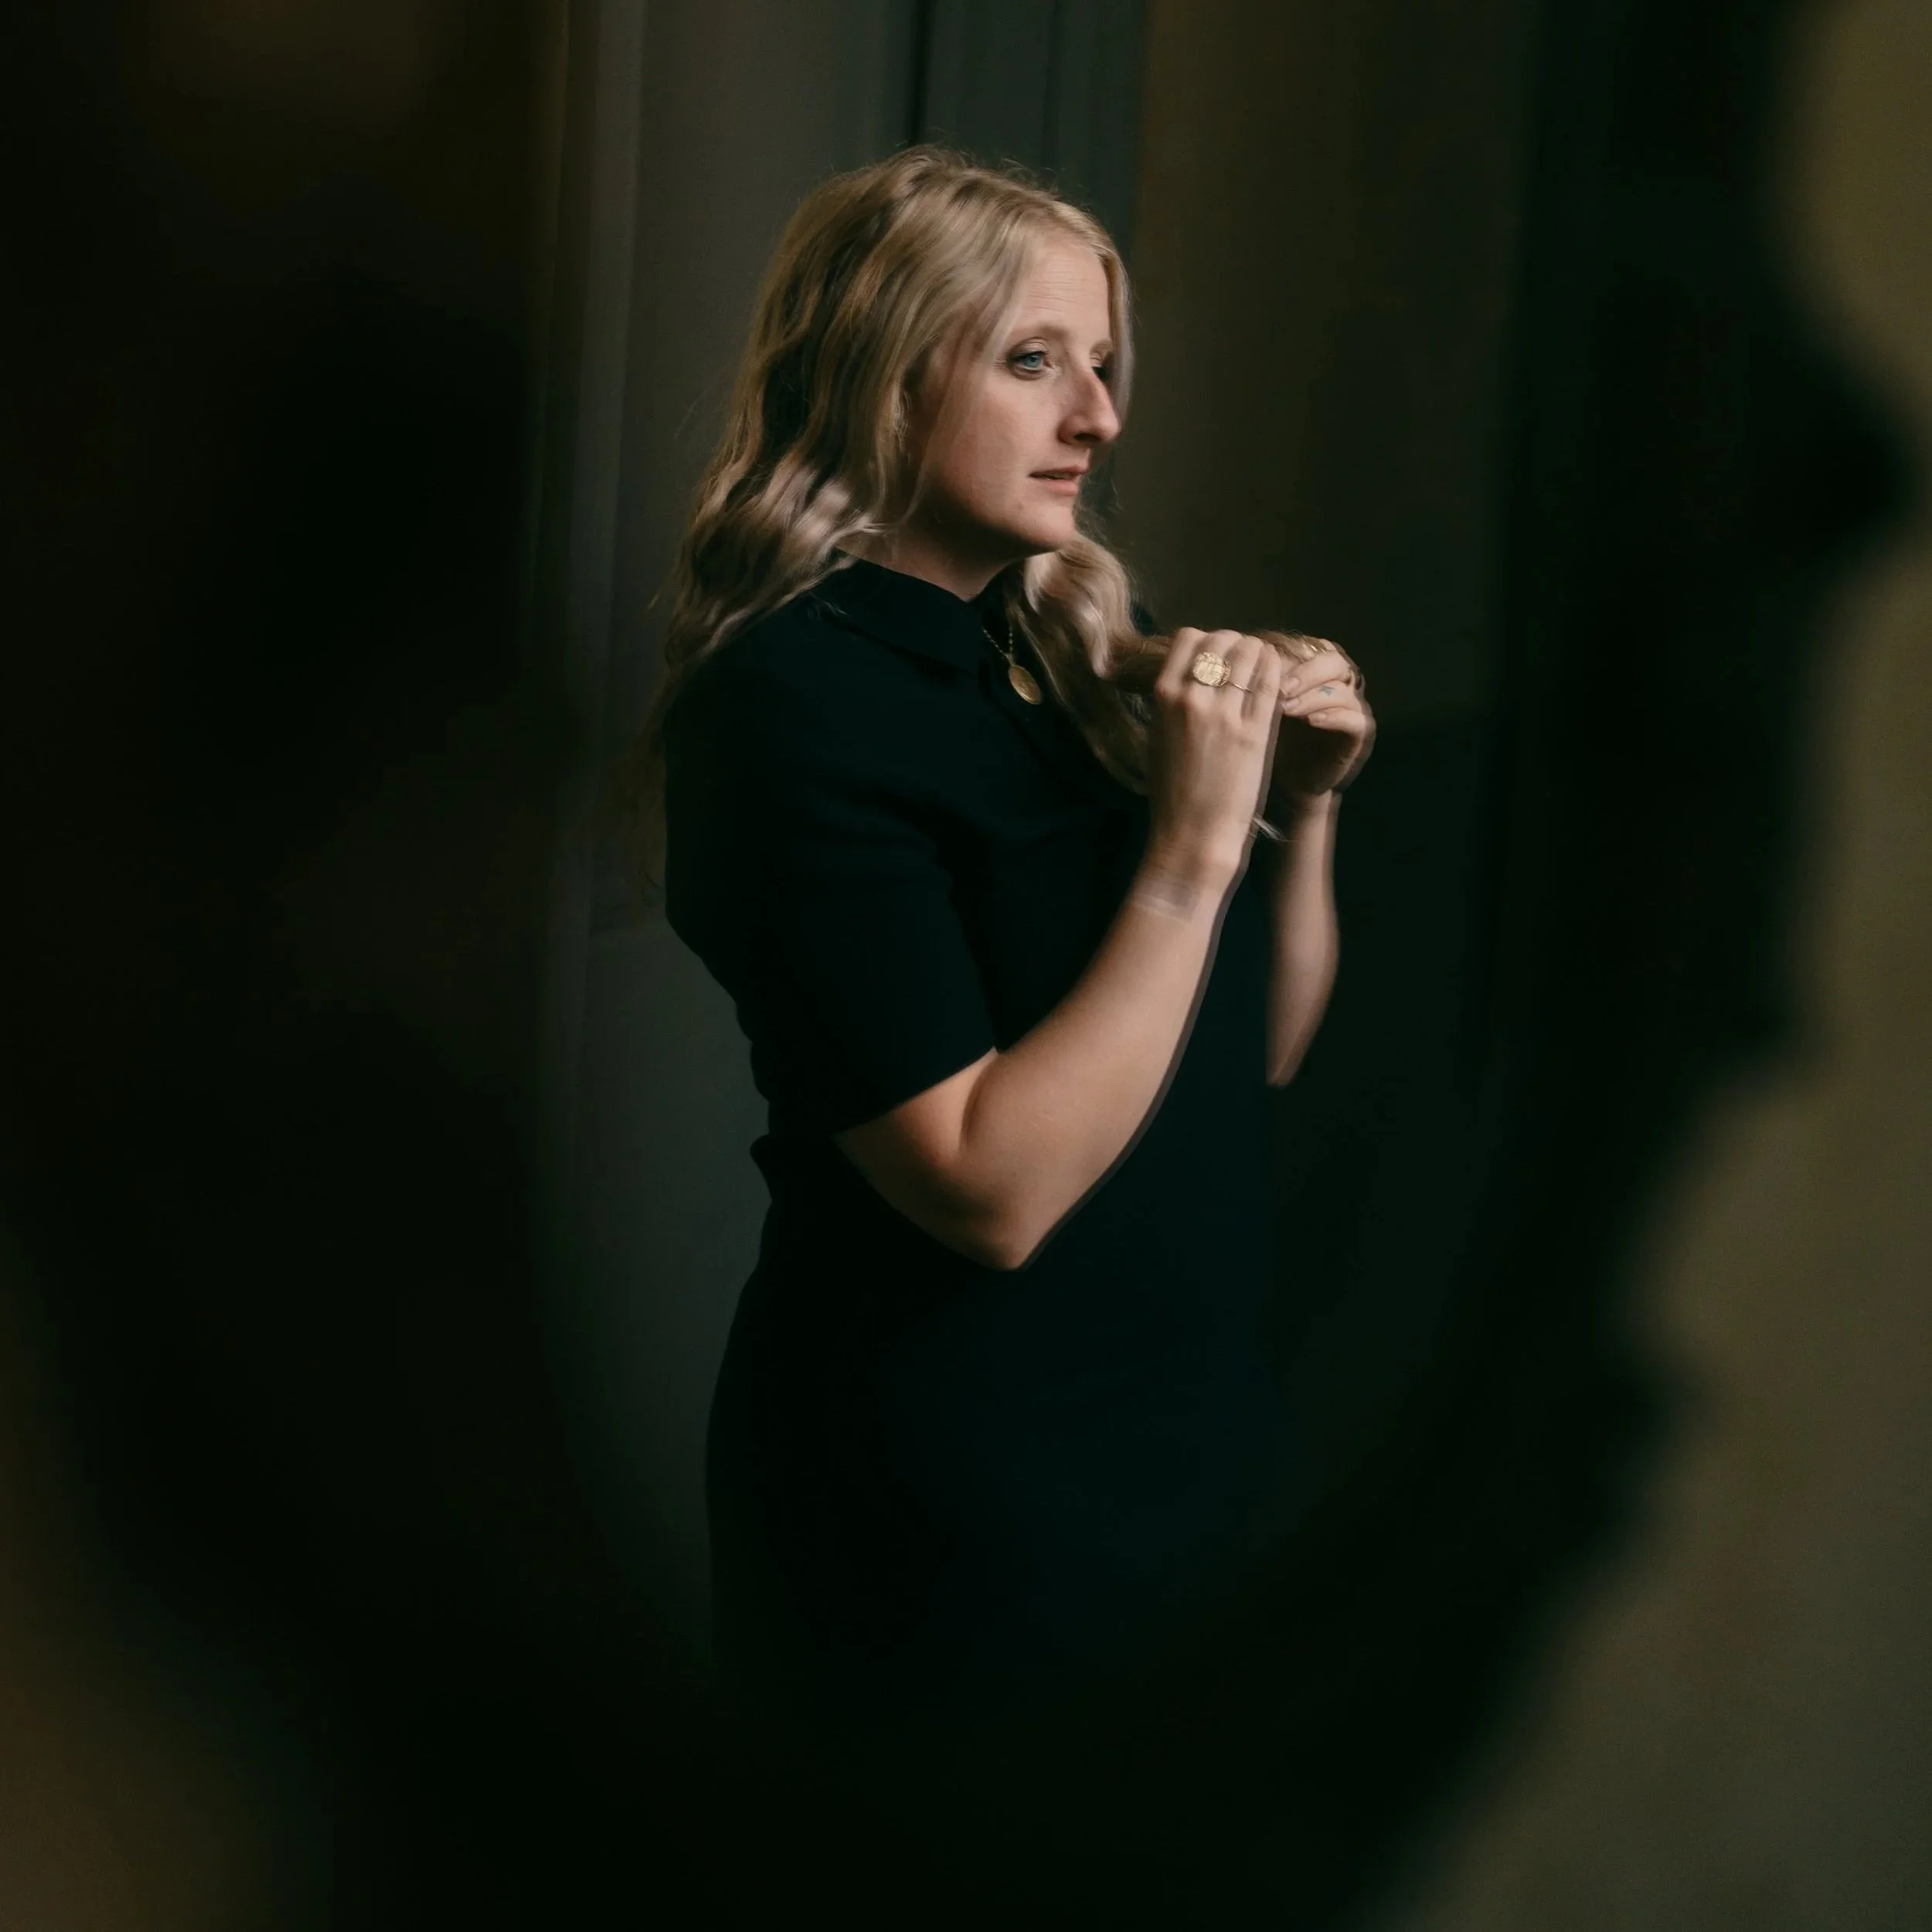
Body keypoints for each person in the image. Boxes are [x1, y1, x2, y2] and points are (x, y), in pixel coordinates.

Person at [620, 145, 1373, 1895]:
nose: (1095, 415)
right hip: (960, 1521)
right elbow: (990, 1183)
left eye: (1103, 361)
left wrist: (1306, 800)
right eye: (1031, 358)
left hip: (1175, 1458)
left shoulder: (1048, 660)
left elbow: (1246, 1050)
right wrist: (1192, 842)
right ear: (884, 375)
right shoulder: (786, 703)